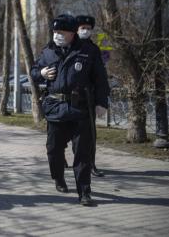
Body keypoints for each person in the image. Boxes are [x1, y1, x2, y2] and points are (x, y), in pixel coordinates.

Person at [31, 14, 110, 206]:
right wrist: (40, 73)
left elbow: (100, 79)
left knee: (82, 153)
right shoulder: (48, 51)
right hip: (56, 108)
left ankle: (84, 192)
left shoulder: (88, 50)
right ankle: (58, 178)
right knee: (54, 150)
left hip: (81, 109)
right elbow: (34, 72)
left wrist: (102, 103)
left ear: (72, 33)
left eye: (61, 32)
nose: (57, 36)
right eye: (55, 32)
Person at [76, 15, 110, 178]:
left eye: (88, 28)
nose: (85, 31)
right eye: (82, 27)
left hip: (87, 99)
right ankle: (61, 162)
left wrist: (101, 102)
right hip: (66, 99)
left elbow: (101, 78)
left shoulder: (94, 49)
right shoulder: (68, 46)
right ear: (76, 29)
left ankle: (90, 164)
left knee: (89, 135)